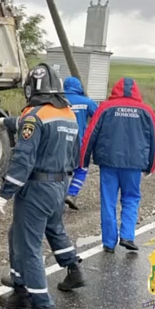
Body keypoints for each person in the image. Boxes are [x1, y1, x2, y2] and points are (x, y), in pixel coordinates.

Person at [0, 63, 85, 309]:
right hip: (58, 185)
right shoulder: (67, 114)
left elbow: (23, 159)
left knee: (27, 245)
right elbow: (75, 154)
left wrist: (4, 193)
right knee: (49, 230)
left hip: (36, 188)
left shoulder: (33, 115)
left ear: (31, 88)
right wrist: (8, 122)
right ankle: (69, 271)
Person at [80, 77, 155, 253]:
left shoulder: (105, 108)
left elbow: (90, 134)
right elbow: (154, 139)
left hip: (108, 163)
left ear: (115, 90)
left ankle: (109, 242)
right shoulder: (146, 111)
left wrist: (83, 161)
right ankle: (127, 236)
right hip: (134, 164)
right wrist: (151, 165)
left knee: (108, 201)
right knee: (131, 198)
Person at [62, 76, 98, 210]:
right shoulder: (87, 102)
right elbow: (99, 118)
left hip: (59, 142)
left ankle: (57, 197)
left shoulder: (58, 100)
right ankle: (71, 194)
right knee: (82, 168)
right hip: (79, 142)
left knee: (61, 170)